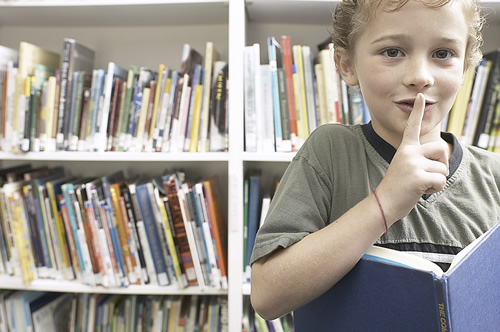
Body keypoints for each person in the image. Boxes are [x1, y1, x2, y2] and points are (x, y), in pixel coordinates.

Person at [250, 0, 500, 321]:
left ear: (465, 67)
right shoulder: (330, 151)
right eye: (392, 52)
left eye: (442, 54)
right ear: (346, 65)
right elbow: (268, 296)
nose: (420, 77)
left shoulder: (493, 175)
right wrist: (386, 203)